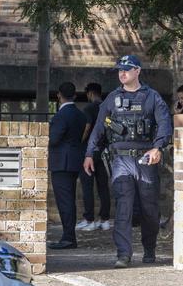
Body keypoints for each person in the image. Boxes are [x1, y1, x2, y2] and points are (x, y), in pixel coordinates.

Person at [84, 55, 173, 268]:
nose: (122, 73)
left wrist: (157, 147)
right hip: (120, 159)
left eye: (127, 69)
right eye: (120, 70)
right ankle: (123, 254)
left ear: (138, 71)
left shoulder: (152, 97)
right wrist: (89, 153)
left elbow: (164, 124)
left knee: (149, 208)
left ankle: (149, 248)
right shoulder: (112, 99)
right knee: (123, 206)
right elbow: (99, 128)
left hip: (145, 159)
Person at [48, 82, 88, 249]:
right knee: (69, 200)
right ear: (75, 96)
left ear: (59, 95)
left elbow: (54, 139)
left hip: (61, 162)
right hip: (74, 160)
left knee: (64, 201)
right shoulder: (80, 115)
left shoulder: (60, 116)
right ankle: (69, 236)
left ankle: (68, 238)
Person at [76, 82, 111, 231]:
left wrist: (80, 142)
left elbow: (87, 127)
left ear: (90, 93)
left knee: (87, 186)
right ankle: (105, 220)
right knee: (103, 187)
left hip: (89, 153)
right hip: (104, 153)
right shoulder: (107, 108)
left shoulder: (89, 108)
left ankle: (89, 219)